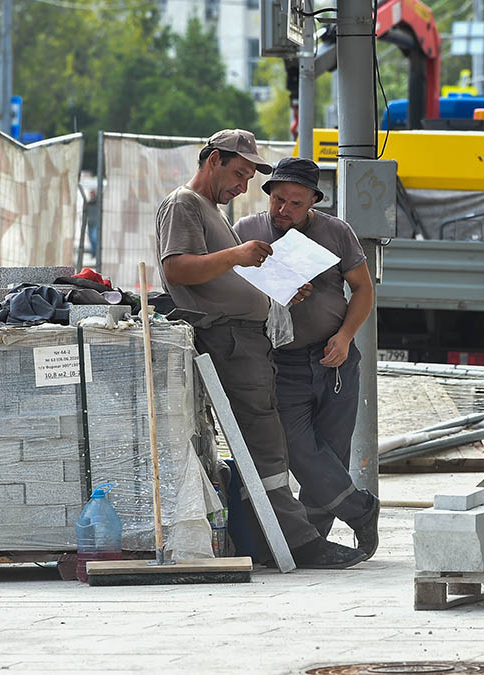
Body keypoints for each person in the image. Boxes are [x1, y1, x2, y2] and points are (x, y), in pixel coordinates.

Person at [156, 129, 365, 570]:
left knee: (277, 445)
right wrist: (237, 255)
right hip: (230, 340)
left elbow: (226, 277)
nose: (243, 187)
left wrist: (279, 289)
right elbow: (177, 269)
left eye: (250, 177)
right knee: (269, 445)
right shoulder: (184, 204)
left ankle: (293, 536)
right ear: (213, 159)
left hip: (254, 343)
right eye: (239, 174)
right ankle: (300, 542)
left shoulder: (211, 210)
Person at [233, 157, 380, 559]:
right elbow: (231, 289)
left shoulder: (336, 232)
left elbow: (363, 290)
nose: (283, 210)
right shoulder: (246, 232)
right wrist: (273, 291)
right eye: (277, 199)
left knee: (332, 453)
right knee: (298, 450)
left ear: (313, 201)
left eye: (295, 203)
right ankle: (360, 510)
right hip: (282, 362)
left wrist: (346, 336)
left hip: (336, 359)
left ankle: (312, 544)